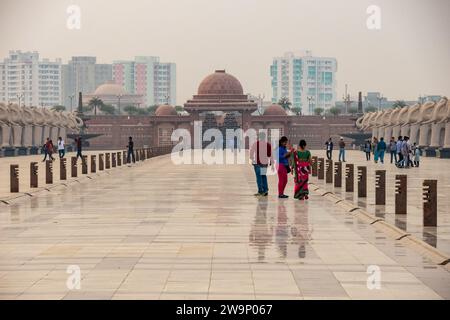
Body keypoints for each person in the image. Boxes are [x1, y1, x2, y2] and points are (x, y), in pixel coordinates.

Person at [250, 132, 273, 196]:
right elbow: (270, 154)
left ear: (259, 137)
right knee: (263, 176)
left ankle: (260, 191)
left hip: (257, 163)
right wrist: (271, 161)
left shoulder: (256, 144)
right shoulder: (268, 145)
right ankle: (265, 190)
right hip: (264, 163)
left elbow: (251, 152)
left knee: (258, 177)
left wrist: (251, 160)